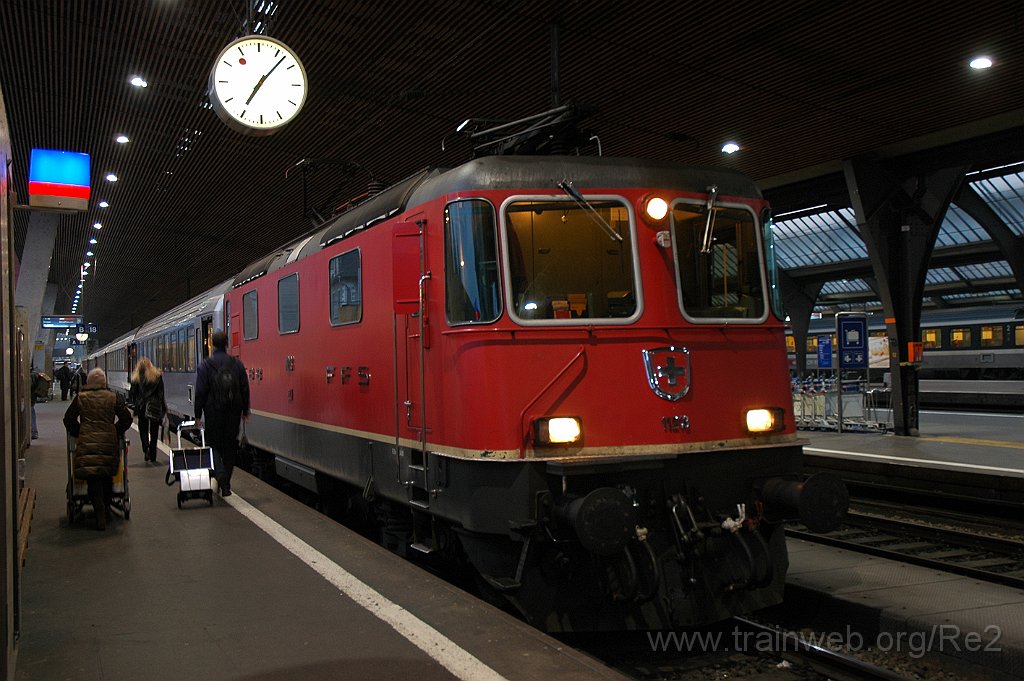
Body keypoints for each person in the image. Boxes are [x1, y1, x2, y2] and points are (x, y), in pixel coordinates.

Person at [63, 368, 132, 530]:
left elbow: (68, 419)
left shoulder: (81, 398)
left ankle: (99, 509)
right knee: (106, 476)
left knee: (92, 478)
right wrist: (114, 430)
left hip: (87, 443)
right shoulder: (112, 397)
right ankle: (106, 508)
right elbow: (127, 418)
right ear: (104, 382)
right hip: (108, 442)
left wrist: (80, 432)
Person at [194, 331, 249, 497]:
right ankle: (226, 485)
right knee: (230, 447)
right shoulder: (236, 364)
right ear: (227, 344)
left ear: (212, 344)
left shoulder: (205, 365)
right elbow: (244, 388)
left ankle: (220, 474)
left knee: (213, 445)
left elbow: (200, 392)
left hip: (213, 413)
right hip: (233, 413)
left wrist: (197, 415)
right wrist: (245, 410)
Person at [129, 357, 166, 462]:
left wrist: (137, 402)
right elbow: (161, 394)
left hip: (141, 407)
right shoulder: (157, 376)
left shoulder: (136, 378)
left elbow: (132, 394)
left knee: (143, 429)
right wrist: (163, 408)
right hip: (154, 407)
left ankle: (146, 449)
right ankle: (153, 454)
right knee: (154, 431)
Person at [29, 367, 50, 440]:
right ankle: (33, 432)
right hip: (33, 397)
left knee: (31, 414)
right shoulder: (35, 374)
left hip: (30, 397)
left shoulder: (31, 376)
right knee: (32, 413)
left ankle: (34, 432)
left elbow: (29, 387)